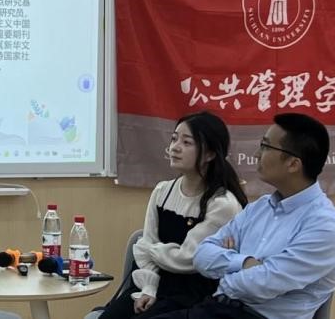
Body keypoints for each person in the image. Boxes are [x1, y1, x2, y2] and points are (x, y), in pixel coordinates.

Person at [178, 113, 335, 319]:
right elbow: (202, 255)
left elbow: (262, 284)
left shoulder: (325, 226)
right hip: (216, 308)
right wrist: (245, 263)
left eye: (265, 146)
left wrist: (224, 273)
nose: (257, 154)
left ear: (293, 164)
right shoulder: (260, 207)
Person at [100, 112, 247, 319]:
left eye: (187, 142)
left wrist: (152, 250)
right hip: (153, 280)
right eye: (174, 139)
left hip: (193, 292)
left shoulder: (222, 204)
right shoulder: (163, 191)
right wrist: (148, 289)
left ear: (210, 154)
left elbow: (188, 259)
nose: (175, 147)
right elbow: (146, 243)